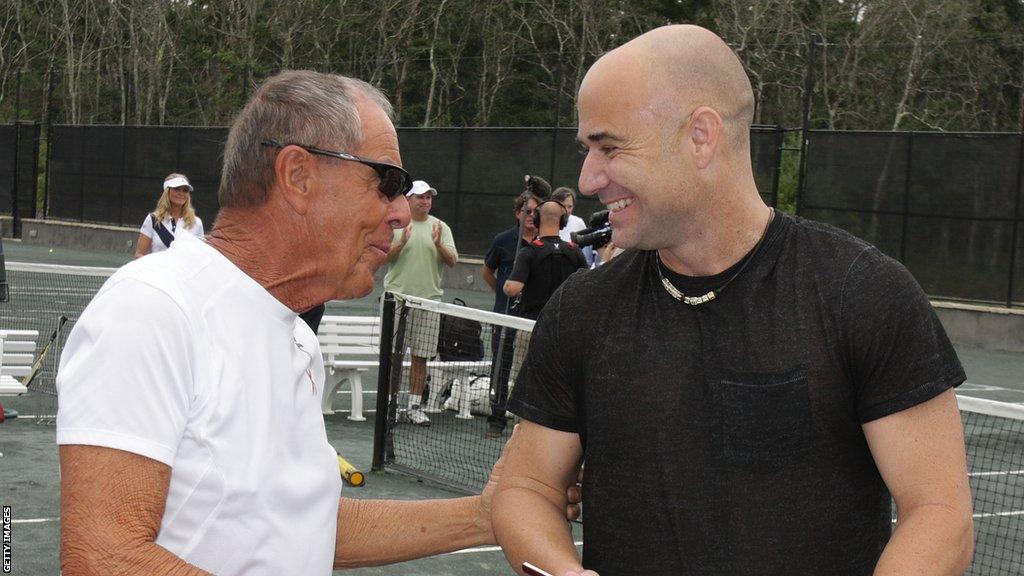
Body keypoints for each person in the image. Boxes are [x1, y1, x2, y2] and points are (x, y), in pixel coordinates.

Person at [492, 25, 973, 576]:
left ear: (701, 135)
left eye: (609, 146)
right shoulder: (583, 308)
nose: (588, 175)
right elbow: (525, 488)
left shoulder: (861, 293)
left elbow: (940, 515)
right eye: (587, 150)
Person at [56, 70, 579, 576]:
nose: (401, 212)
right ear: (298, 175)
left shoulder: (295, 338)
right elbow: (104, 557)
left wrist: (487, 515)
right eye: (387, 182)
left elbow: (301, 527)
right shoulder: (155, 306)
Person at [383, 179, 458, 426]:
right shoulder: (396, 224)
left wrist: (437, 244)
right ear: (408, 200)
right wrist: (401, 242)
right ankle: (391, 405)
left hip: (428, 303)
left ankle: (414, 406)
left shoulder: (441, 227)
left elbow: (452, 260)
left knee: (421, 358)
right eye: (420, 197)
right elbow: (383, 258)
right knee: (393, 356)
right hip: (397, 300)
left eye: (428, 197)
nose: (425, 201)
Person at [482, 188, 544, 438]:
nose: (531, 216)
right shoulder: (503, 240)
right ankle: (496, 419)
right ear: (518, 213)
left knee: (529, 370)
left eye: (536, 212)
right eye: (527, 211)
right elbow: (488, 272)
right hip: (504, 316)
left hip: (532, 320)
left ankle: (526, 422)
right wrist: (502, 293)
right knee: (500, 367)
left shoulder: (544, 244)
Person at [133, 173, 205, 258]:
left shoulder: (196, 222)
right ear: (167, 192)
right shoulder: (153, 220)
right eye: (177, 189)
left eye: (185, 190)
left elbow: (199, 256)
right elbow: (139, 254)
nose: (181, 193)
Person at [550, 187, 593, 267]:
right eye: (563, 205)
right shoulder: (544, 221)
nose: (566, 210)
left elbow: (587, 258)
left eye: (570, 207)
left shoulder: (578, 223)